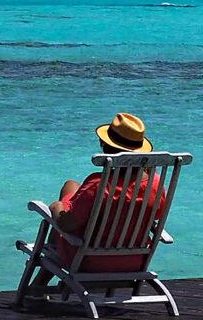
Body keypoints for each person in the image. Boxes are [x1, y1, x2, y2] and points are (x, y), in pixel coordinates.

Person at [49, 112, 167, 273]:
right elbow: (156, 216)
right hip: (134, 263)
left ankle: (38, 285)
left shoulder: (99, 185)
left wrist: (56, 207)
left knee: (68, 189)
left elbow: (67, 225)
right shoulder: (155, 185)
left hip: (88, 261)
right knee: (72, 185)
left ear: (105, 148)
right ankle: (38, 286)